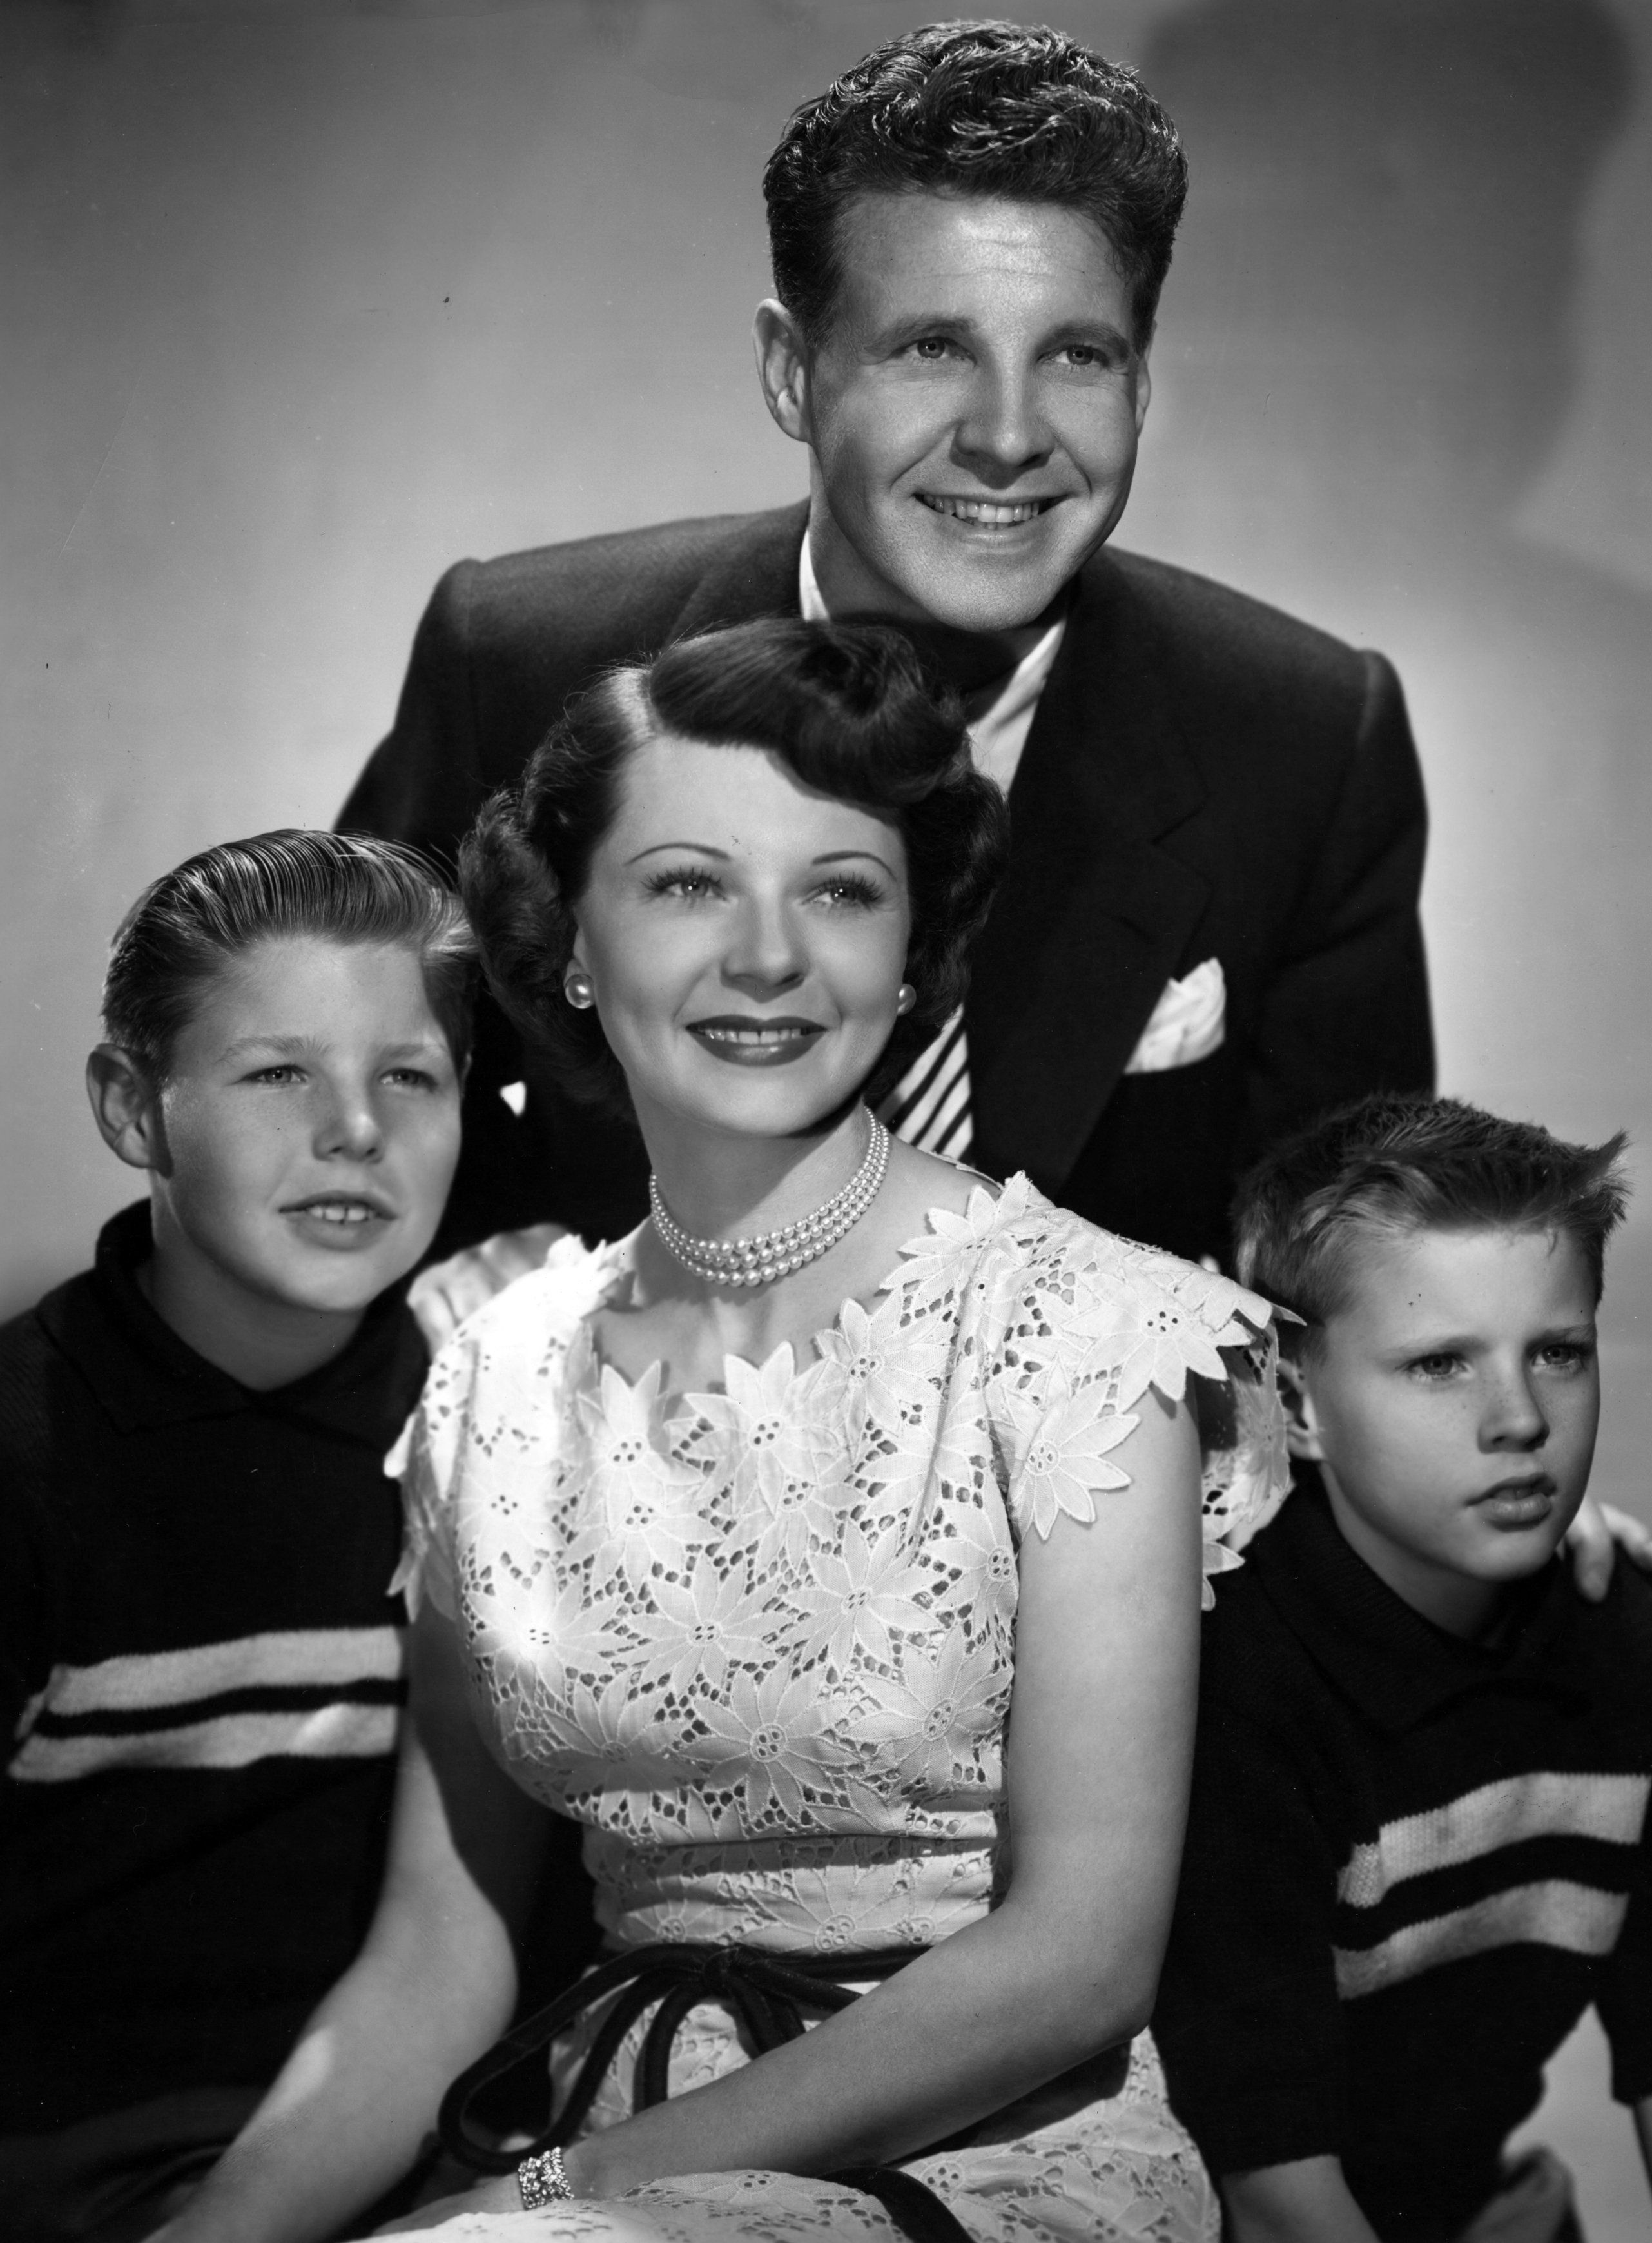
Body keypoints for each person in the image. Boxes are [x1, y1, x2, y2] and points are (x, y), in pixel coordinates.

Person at [156, 618, 1289, 2243]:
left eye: (841, 889)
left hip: (994, 2166)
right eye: (688, 884)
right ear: (567, 940)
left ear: (912, 953)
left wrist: (562, 2190)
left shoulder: (1081, 1332)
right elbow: (437, 1952)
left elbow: (1072, 1961)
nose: (769, 956)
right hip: (583, 2173)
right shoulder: (491, 1372)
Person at [341, 17, 1433, 1279]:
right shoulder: (523, 664)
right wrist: (501, 1292)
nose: (1008, 437)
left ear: (1139, 389)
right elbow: (343, 1082)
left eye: (1075, 356)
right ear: (791, 373)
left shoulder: (1299, 738)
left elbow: (1351, 1271)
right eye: (931, 349)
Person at [1156, 1094, 1652, 2243]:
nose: (1518, 1418)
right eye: (1439, 1365)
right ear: (1293, 1399)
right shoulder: (1232, 1674)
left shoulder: (1634, 1641)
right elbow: (1271, 2181)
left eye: (1557, 1351)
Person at [0, 832, 474, 2243]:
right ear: (132, 1107)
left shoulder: (489, 1420)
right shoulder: (29, 1456)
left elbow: (451, 1952)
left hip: (413, 2152)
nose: (356, 1130)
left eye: (409, 1075)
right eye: (277, 1074)